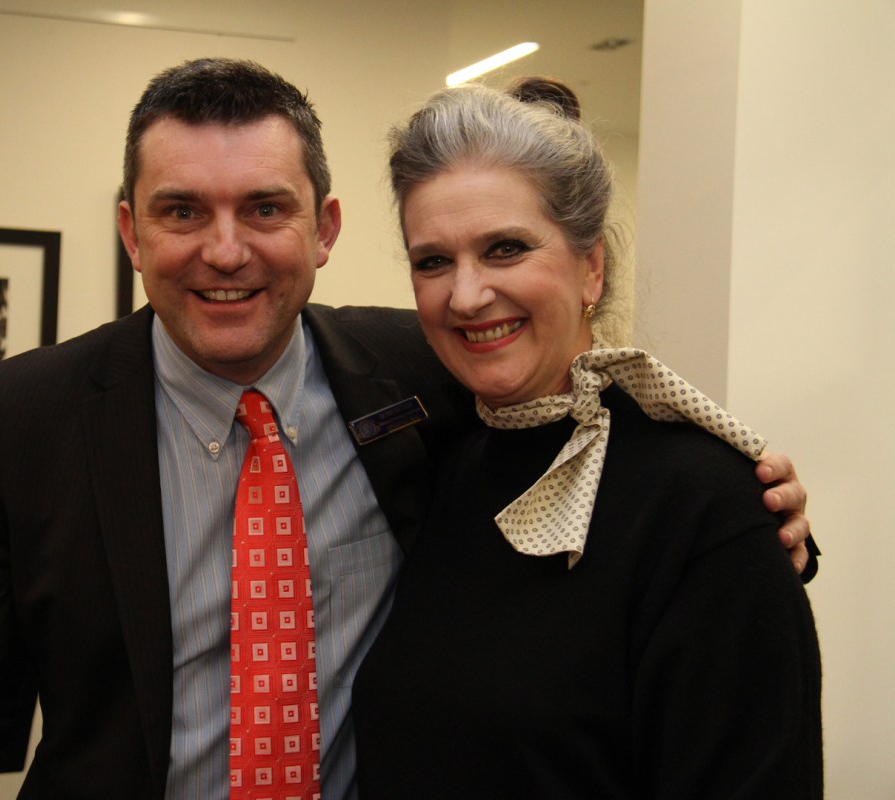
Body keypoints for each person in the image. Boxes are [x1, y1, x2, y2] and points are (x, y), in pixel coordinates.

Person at [0, 59, 814, 800]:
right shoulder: (17, 421)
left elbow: (610, 463)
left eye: (265, 208)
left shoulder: (425, 377)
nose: (224, 250)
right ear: (131, 232)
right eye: (182, 211)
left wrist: (757, 526)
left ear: (324, 229)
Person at [351, 78, 822, 797]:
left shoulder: (703, 501)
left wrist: (746, 536)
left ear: (591, 267)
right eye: (433, 261)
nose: (466, 296)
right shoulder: (442, 458)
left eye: (506, 248)